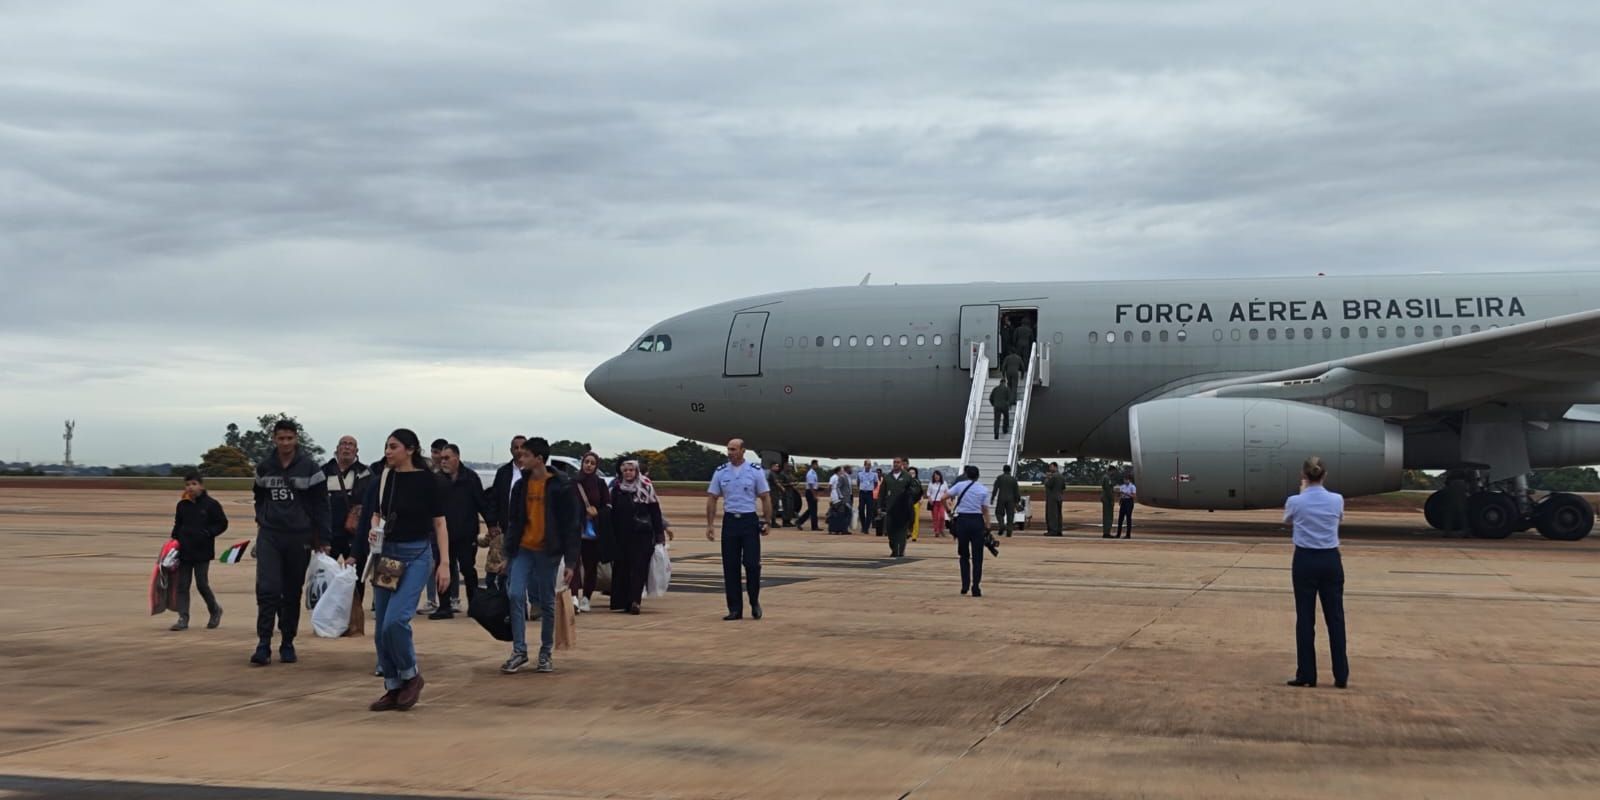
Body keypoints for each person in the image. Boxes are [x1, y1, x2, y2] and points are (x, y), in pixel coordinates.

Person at [365, 429, 452, 711]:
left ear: (411, 449)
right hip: (388, 556)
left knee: (396, 620)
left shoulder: (428, 481)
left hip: (416, 556)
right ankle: (393, 686)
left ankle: (411, 674)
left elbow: (440, 523)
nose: (388, 452)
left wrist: (445, 564)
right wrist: (373, 528)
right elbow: (377, 512)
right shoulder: (385, 478)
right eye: (386, 446)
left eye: (393, 447)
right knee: (381, 629)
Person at [250, 420, 330, 666]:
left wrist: (324, 539)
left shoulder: (310, 468)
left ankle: (287, 641)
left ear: (296, 439)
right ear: (274, 439)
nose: (285, 443)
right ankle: (263, 643)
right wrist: (263, 519)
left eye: (289, 438)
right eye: (281, 438)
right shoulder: (265, 467)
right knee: (268, 589)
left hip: (299, 537)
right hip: (271, 535)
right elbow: (258, 496)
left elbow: (321, 505)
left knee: (291, 592)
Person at [501, 437, 581, 675]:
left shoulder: (561, 486)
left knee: (546, 602)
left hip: (548, 552)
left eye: (525, 455)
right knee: (515, 594)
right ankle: (519, 650)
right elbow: (514, 521)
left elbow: (571, 525)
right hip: (523, 549)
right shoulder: (520, 485)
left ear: (538, 458)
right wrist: (507, 554)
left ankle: (545, 653)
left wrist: (571, 561)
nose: (520, 458)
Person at [1284, 457, 1349, 689]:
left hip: (1304, 560)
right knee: (1336, 618)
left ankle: (1307, 674)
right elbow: (1339, 518)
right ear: (1325, 475)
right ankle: (1341, 674)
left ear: (1303, 475)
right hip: (1330, 559)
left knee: (1305, 619)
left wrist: (1303, 494)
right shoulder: (1337, 499)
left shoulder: (1295, 501)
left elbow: (1288, 519)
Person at [706, 438, 771, 620]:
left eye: (733, 449)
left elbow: (765, 497)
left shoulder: (754, 471)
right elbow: (712, 498)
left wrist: (767, 521)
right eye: (728, 449)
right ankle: (734, 608)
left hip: (749, 521)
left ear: (743, 450)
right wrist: (710, 524)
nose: (730, 452)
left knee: (752, 564)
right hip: (730, 522)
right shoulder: (721, 472)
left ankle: (754, 601)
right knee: (730, 566)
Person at [435, 444, 491, 619]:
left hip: (466, 533)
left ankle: (474, 606)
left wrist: (492, 524)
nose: (443, 461)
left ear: (457, 458)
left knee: (468, 569)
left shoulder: (471, 478)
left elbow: (481, 503)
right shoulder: (437, 480)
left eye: (447, 458)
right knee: (443, 568)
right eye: (441, 458)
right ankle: (444, 606)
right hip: (444, 534)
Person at [169, 473, 227, 631]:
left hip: (202, 552)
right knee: (183, 585)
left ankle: (215, 609)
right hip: (184, 551)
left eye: (194, 484)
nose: (190, 487)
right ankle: (183, 618)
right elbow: (178, 524)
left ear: (201, 486)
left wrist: (209, 533)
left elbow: (222, 523)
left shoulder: (211, 504)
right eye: (187, 484)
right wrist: (173, 541)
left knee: (202, 584)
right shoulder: (182, 505)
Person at [609, 460, 668, 614]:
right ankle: (624, 601)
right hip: (622, 535)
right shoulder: (616, 489)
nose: (628, 473)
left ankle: (636, 600)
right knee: (623, 568)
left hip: (642, 534)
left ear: (636, 472)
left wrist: (660, 533)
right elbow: (612, 513)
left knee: (639, 568)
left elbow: (655, 511)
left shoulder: (646, 487)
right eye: (625, 470)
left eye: (631, 470)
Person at [321, 436, 372, 564]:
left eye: (351, 444)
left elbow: (371, 500)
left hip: (354, 534)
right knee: (324, 576)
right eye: (343, 444)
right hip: (330, 533)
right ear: (337, 449)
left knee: (356, 577)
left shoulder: (365, 473)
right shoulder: (324, 471)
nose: (347, 447)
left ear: (356, 450)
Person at [571, 451, 611, 613]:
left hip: (592, 531)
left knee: (590, 567)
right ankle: (573, 597)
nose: (588, 465)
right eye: (586, 462)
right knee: (572, 565)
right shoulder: (573, 482)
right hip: (575, 529)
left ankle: (586, 598)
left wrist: (597, 513)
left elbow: (608, 506)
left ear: (596, 466)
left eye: (592, 463)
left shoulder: (600, 484)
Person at [944, 465, 992, 597]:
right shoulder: (983, 489)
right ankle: (976, 586)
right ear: (977, 476)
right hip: (977, 521)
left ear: (966, 474)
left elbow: (944, 497)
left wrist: (949, 511)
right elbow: (985, 510)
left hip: (963, 521)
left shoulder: (960, 486)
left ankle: (965, 585)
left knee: (964, 555)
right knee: (978, 556)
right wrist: (988, 526)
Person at [486, 435, 527, 570]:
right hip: (506, 526)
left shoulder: (533, 472)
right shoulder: (503, 472)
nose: (519, 450)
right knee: (501, 567)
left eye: (522, 447)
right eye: (516, 447)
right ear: (511, 450)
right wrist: (492, 524)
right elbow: (494, 499)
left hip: (528, 529)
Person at [880, 457, 922, 558]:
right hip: (891, 509)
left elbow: (917, 491)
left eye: (898, 462)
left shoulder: (907, 477)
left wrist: (910, 501)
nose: (896, 464)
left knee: (901, 532)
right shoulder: (887, 477)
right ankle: (894, 548)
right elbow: (882, 493)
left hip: (903, 509)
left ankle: (899, 551)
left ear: (902, 464)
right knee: (890, 531)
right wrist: (879, 506)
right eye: (894, 462)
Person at [993, 465, 1020, 538]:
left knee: (998, 513)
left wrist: (992, 497)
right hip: (1011, 499)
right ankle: (1009, 531)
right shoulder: (1013, 479)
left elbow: (995, 488)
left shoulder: (999, 478)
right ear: (1010, 470)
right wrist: (1017, 500)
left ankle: (1001, 525)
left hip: (1001, 498)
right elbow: (1016, 491)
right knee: (1010, 515)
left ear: (1003, 470)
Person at [796, 460, 821, 531]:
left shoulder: (814, 473)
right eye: (816, 464)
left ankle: (799, 521)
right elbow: (810, 485)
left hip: (812, 491)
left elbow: (815, 485)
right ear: (813, 464)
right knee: (813, 510)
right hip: (810, 492)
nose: (817, 466)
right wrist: (814, 495)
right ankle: (814, 526)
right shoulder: (810, 474)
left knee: (811, 510)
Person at [1042, 462, 1066, 537]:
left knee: (1052, 514)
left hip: (1052, 498)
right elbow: (1063, 487)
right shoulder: (1061, 476)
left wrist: (1047, 478)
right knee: (1058, 515)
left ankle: (1053, 530)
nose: (1050, 468)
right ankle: (1059, 530)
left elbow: (1048, 485)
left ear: (1055, 467)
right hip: (1059, 497)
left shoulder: (1053, 476)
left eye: (1051, 467)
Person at [856, 460, 879, 535]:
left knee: (870, 510)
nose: (868, 466)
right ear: (864, 465)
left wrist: (871, 488)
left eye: (870, 465)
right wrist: (862, 488)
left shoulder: (874, 474)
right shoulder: (860, 474)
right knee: (861, 509)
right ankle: (863, 525)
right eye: (867, 464)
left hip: (869, 493)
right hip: (862, 493)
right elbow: (858, 483)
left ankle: (866, 528)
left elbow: (875, 483)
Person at [926, 470, 949, 538]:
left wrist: (948, 500)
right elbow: (928, 492)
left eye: (937, 475)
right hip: (934, 502)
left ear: (940, 476)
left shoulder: (944, 483)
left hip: (941, 501)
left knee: (942, 517)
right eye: (935, 476)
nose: (936, 477)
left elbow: (947, 491)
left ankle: (941, 529)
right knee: (935, 517)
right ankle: (936, 531)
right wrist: (929, 498)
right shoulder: (931, 483)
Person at [1116, 472, 1137, 538]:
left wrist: (1125, 493)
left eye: (1126, 479)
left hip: (1129, 501)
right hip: (1123, 501)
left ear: (1129, 480)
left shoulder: (1132, 487)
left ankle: (1128, 534)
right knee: (1120, 518)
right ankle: (1118, 534)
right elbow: (1120, 495)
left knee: (1128, 518)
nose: (1125, 481)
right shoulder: (1122, 486)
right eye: (1124, 480)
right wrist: (1119, 498)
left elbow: (1133, 496)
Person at [1101, 465, 1118, 539]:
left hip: (1105, 498)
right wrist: (1112, 499)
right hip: (1107, 499)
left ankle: (1106, 532)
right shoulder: (1107, 478)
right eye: (1114, 471)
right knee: (1108, 516)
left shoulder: (1105, 477)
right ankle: (1106, 532)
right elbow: (1108, 490)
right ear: (1111, 470)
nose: (1114, 473)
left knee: (1107, 516)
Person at [908, 467, 923, 542]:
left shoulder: (918, 482)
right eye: (910, 473)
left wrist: (921, 499)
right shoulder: (905, 482)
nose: (911, 475)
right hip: (907, 503)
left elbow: (921, 492)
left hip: (916, 503)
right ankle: (907, 532)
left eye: (913, 473)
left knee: (916, 519)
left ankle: (914, 535)